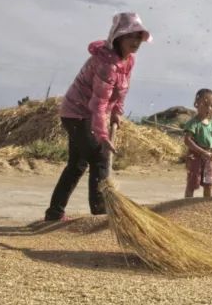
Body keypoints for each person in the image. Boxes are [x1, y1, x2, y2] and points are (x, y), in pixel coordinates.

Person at [44, 12, 151, 221]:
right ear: (119, 38)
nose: (136, 41)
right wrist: (102, 136)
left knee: (77, 163)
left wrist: (117, 112)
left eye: (139, 37)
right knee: (98, 157)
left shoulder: (128, 61)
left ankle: (54, 213)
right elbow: (98, 104)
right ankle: (101, 213)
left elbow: (121, 90)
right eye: (131, 36)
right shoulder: (107, 64)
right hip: (76, 113)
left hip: (89, 112)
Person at [183, 88, 212, 199]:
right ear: (196, 104)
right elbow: (187, 140)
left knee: (208, 184)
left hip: (209, 158)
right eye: (205, 104)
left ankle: (205, 206)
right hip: (196, 157)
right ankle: (186, 205)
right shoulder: (193, 123)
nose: (209, 108)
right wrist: (202, 152)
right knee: (192, 183)